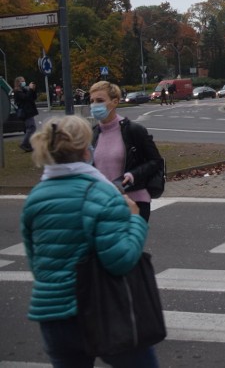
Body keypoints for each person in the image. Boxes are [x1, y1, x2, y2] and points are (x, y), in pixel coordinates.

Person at [20, 115, 157, 367]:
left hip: (52, 317)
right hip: (101, 311)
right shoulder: (101, 192)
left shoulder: (36, 197)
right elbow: (121, 260)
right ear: (86, 151)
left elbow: (36, 262)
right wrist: (136, 219)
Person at [89, 81, 164, 223]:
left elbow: (156, 161)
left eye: (99, 101)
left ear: (115, 102)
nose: (94, 105)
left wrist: (132, 175)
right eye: (91, 101)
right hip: (102, 204)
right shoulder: (92, 134)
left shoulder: (133, 130)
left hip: (134, 203)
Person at [13, 76, 39, 153]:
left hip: (29, 111)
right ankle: (24, 144)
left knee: (31, 128)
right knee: (31, 128)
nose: (24, 82)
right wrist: (30, 89)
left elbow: (32, 97)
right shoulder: (17, 92)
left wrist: (33, 90)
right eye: (22, 81)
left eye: (24, 81)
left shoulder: (24, 90)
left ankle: (29, 145)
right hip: (25, 112)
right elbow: (26, 98)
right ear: (18, 83)